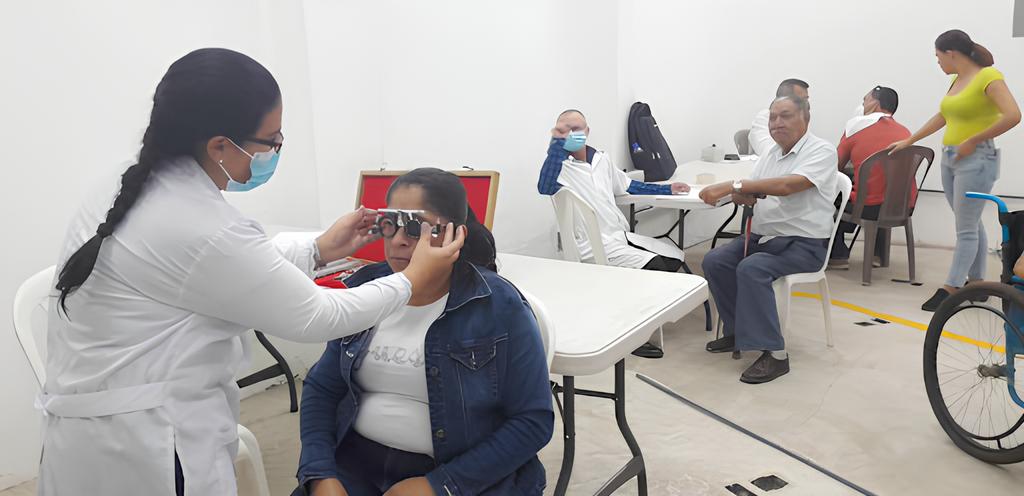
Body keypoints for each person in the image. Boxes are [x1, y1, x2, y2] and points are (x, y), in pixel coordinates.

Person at [39, 49, 464, 496]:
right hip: (148, 445)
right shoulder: (201, 225)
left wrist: (319, 249)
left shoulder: (129, 181)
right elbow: (315, 316)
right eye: (271, 142)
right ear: (219, 146)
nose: (274, 152)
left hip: (93, 431)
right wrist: (410, 281)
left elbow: (219, 269)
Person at [296, 168, 554, 496]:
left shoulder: (500, 306)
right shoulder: (364, 292)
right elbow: (322, 387)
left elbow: (533, 421)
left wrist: (440, 485)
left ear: (455, 235)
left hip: (463, 473)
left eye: (416, 226)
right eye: (390, 224)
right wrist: (320, 473)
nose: (399, 240)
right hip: (356, 465)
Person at [699, 96, 839, 384]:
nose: (777, 123)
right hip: (765, 238)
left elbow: (788, 185)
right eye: (773, 118)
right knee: (715, 261)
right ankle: (739, 332)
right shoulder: (771, 155)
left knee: (753, 268)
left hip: (804, 244)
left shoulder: (821, 151)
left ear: (805, 118)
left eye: (785, 116)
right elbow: (754, 190)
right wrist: (740, 195)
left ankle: (776, 355)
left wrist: (734, 185)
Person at [538, 109, 691, 358]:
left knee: (673, 260)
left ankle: (636, 317)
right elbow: (544, 186)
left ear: (587, 131)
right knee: (655, 267)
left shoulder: (601, 159)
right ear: (557, 134)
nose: (571, 134)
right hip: (591, 244)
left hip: (617, 236)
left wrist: (668, 189)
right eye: (564, 130)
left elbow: (627, 185)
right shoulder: (559, 166)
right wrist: (556, 147)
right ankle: (635, 337)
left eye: (577, 129)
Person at [889, 30, 1021, 311]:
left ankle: (952, 288)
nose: (937, 62)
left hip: (977, 158)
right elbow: (943, 115)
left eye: (938, 56)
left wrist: (973, 140)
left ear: (951, 53)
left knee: (966, 227)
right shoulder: (956, 80)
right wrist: (910, 140)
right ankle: (977, 283)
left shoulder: (988, 76)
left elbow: (1013, 115)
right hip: (951, 157)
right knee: (969, 221)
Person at [828, 86, 913, 269]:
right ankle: (878, 255)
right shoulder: (905, 132)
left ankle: (837, 254)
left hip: (869, 207)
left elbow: (834, 167)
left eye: (864, 100)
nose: (862, 104)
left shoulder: (856, 126)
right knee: (881, 188)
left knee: (830, 196)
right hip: (904, 206)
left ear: (874, 103)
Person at [748, 79, 810, 156]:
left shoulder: (800, 120)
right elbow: (768, 152)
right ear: (783, 98)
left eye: (806, 99)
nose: (806, 104)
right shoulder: (764, 117)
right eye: (800, 100)